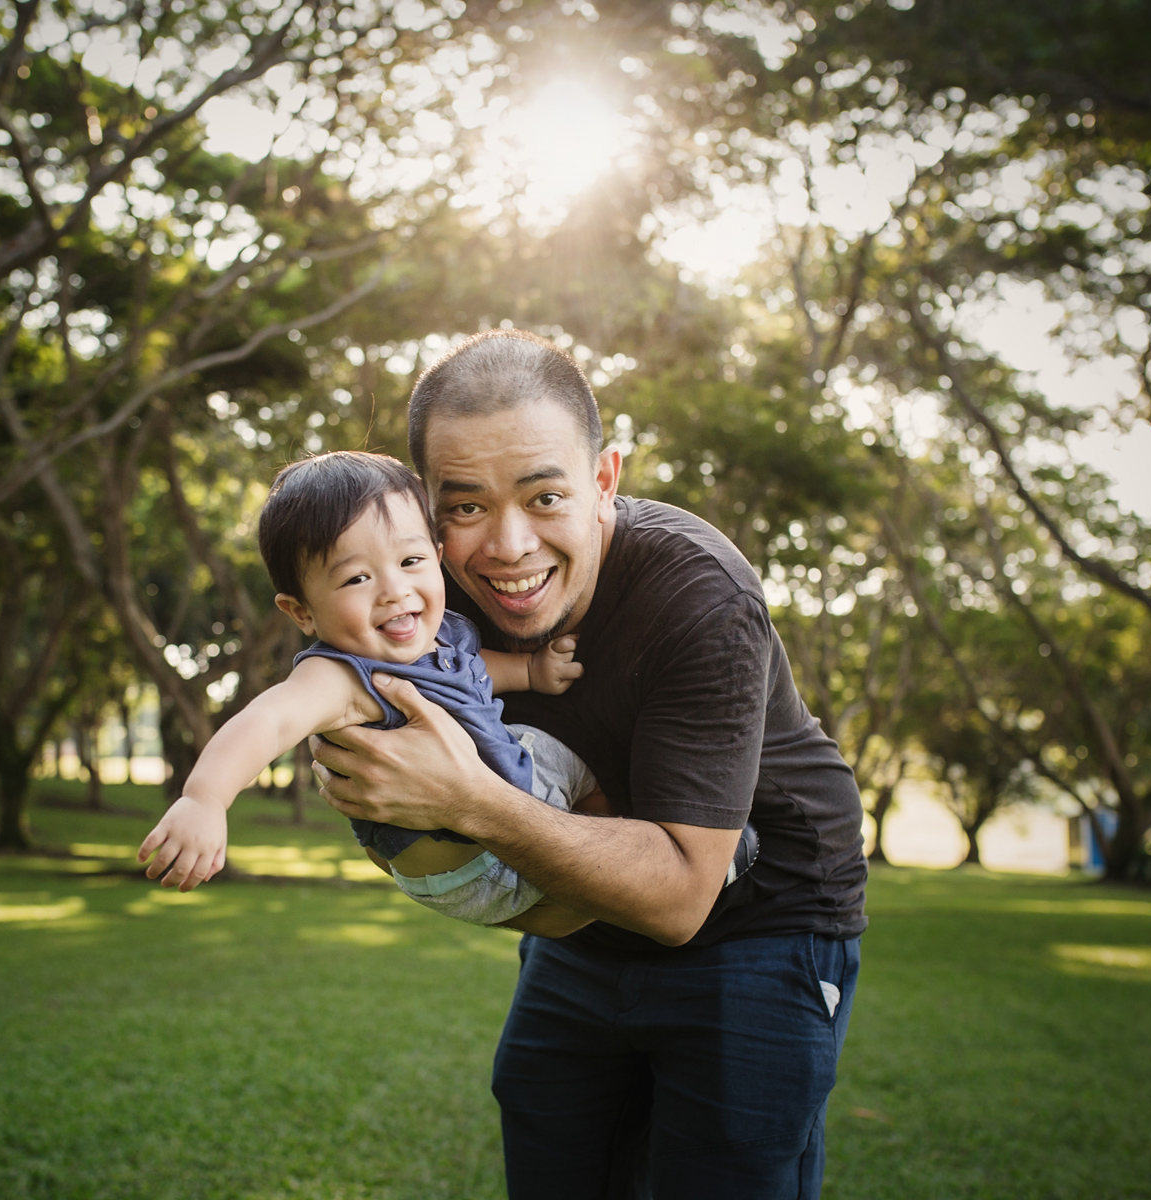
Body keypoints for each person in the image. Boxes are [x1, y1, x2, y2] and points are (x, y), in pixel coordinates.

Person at [309, 330, 869, 1198]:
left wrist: (470, 802)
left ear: (604, 480)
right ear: (426, 505)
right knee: (554, 1156)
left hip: (763, 920)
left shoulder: (699, 595)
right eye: (464, 507)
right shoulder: (418, 591)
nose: (507, 546)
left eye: (544, 496)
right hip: (580, 920)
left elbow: (682, 897)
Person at [136, 450, 595, 926]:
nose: (394, 588)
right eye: (357, 577)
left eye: (411, 560)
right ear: (302, 612)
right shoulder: (338, 676)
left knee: (568, 766)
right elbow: (267, 722)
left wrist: (530, 671)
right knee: (590, 782)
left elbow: (469, 670)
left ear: (437, 559)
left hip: (513, 821)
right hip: (480, 865)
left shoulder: (443, 633)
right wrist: (205, 799)